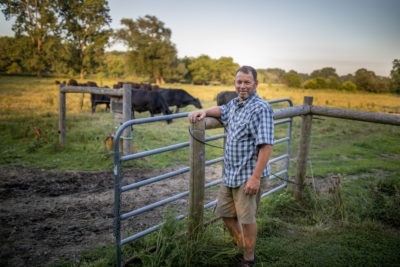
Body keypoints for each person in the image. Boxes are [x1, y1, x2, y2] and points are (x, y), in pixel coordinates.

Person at [188, 66, 274, 267]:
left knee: (246, 219)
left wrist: (256, 177)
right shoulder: (235, 104)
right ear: (235, 84)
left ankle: (248, 259)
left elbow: (266, 146)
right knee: (225, 213)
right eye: (239, 82)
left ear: (255, 84)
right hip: (230, 173)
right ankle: (244, 246)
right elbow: (222, 110)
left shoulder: (261, 108)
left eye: (247, 82)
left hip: (248, 174)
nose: (242, 86)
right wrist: (204, 111)